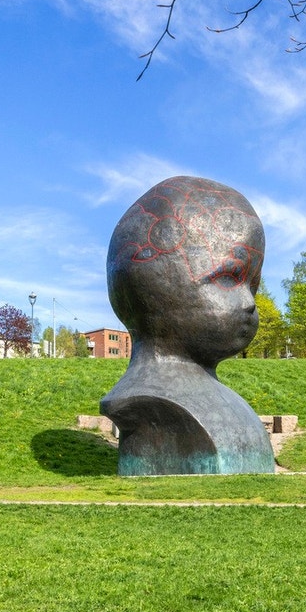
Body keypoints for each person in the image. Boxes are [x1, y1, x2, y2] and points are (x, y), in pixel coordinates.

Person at [100, 176, 276, 475]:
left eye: (252, 284)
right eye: (229, 278)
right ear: (156, 286)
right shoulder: (152, 400)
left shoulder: (226, 401)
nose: (249, 302)